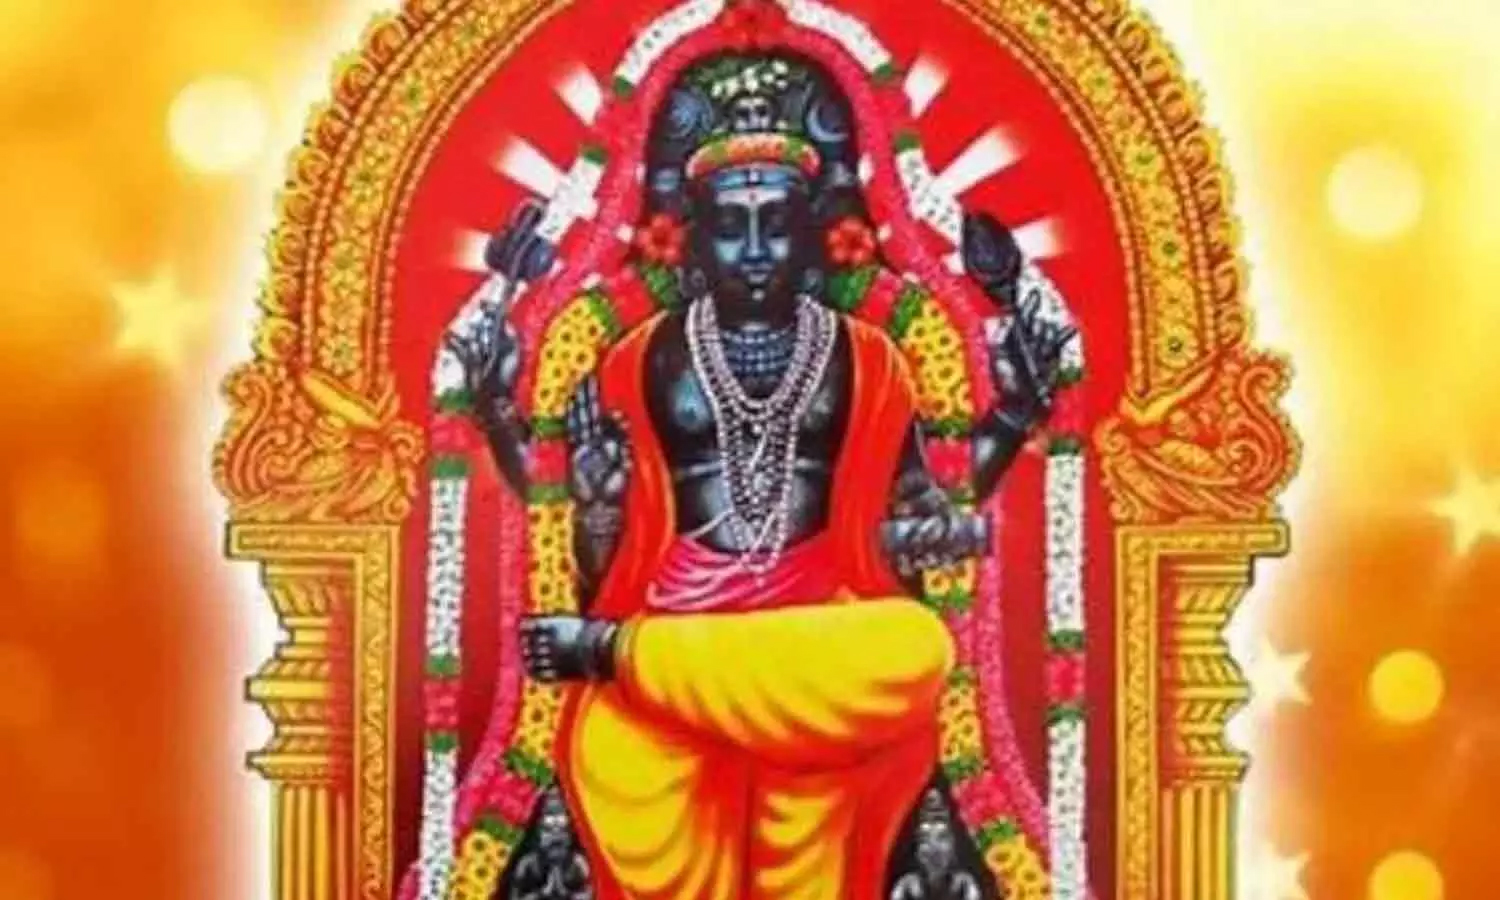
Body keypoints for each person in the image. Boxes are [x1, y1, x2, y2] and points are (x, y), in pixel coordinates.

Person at [449, 52, 1072, 900]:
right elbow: (557, 508)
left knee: (915, 647)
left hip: (808, 648)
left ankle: (615, 653)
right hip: (675, 644)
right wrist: (503, 416)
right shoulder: (640, 358)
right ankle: (642, 656)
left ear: (811, 234)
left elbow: (928, 507)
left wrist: (1012, 416)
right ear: (694, 239)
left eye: (775, 225)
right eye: (729, 227)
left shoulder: (866, 358)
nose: (752, 252)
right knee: (620, 756)